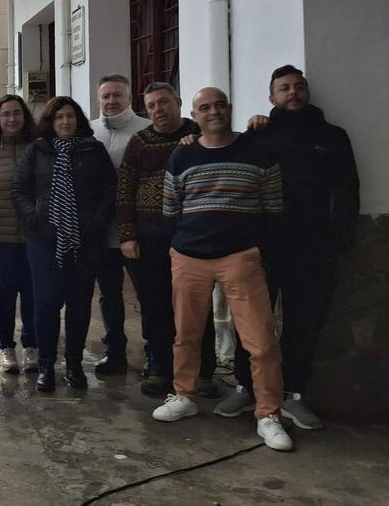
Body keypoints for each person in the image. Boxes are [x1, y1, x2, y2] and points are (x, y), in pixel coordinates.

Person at [214, 66, 359, 430]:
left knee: (304, 323)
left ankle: (293, 394)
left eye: (298, 87)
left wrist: (340, 241)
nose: (292, 93)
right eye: (284, 88)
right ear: (271, 97)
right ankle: (247, 387)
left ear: (307, 92)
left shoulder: (332, 137)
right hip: (262, 244)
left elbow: (347, 192)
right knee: (252, 321)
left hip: (314, 247)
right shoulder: (258, 136)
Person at [153, 87, 293, 452]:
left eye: (218, 105)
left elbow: (273, 205)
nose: (212, 112)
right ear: (194, 116)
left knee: (260, 340)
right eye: (204, 108)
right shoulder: (181, 156)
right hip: (189, 256)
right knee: (186, 334)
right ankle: (184, 396)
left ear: (229, 109)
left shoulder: (259, 152)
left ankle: (268, 414)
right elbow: (171, 208)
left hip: (240, 257)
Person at [116, 83, 216, 397]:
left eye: (164, 102)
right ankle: (159, 367)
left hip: (192, 238)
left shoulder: (199, 135)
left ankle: (204, 372)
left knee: (197, 307)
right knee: (155, 306)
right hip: (149, 240)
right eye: (152, 105)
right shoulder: (140, 142)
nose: (158, 110)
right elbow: (124, 191)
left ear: (179, 103)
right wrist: (128, 235)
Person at [12, 96, 116, 392]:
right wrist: (33, 217)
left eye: (70, 116)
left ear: (78, 119)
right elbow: (20, 190)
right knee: (45, 303)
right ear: (50, 122)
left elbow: (109, 190)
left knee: (79, 303)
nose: (65, 122)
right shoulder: (38, 150)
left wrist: (96, 221)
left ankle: (73, 364)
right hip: (43, 240)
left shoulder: (93, 150)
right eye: (59, 117)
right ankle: (46, 365)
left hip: (84, 241)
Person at [89, 74, 149, 375]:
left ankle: (155, 354)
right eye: (105, 96)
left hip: (138, 231)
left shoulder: (146, 130)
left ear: (129, 98)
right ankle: (114, 351)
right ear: (98, 100)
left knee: (147, 294)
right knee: (109, 295)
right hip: (101, 231)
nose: (111, 101)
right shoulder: (89, 131)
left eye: (117, 96)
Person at [0, 94, 39, 375]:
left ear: (24, 117)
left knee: (32, 291)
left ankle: (31, 345)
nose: (12, 119)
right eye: (6, 114)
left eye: (16, 113)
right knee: (4, 290)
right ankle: (6, 347)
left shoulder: (38, 148)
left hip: (34, 233)